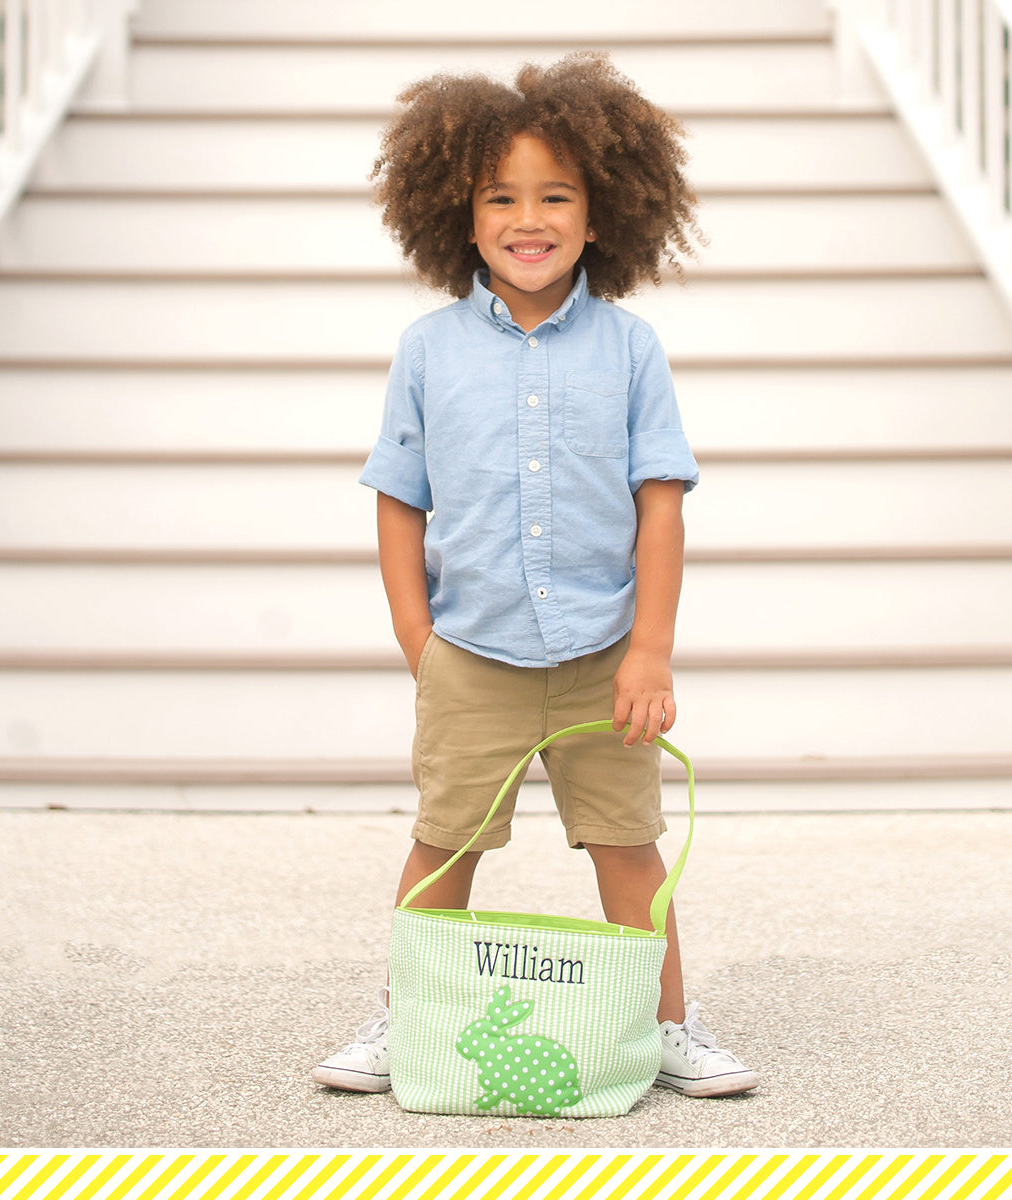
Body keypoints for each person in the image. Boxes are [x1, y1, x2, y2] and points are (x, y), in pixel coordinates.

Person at [312, 53, 758, 1101]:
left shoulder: (632, 349)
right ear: (457, 218)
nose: (529, 217)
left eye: (555, 194)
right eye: (499, 196)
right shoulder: (426, 351)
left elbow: (662, 501)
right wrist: (416, 638)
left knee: (628, 848)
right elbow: (397, 498)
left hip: (604, 659)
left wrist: (649, 647)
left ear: (600, 215)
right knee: (443, 844)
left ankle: (667, 1026)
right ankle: (407, 1016)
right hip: (470, 650)